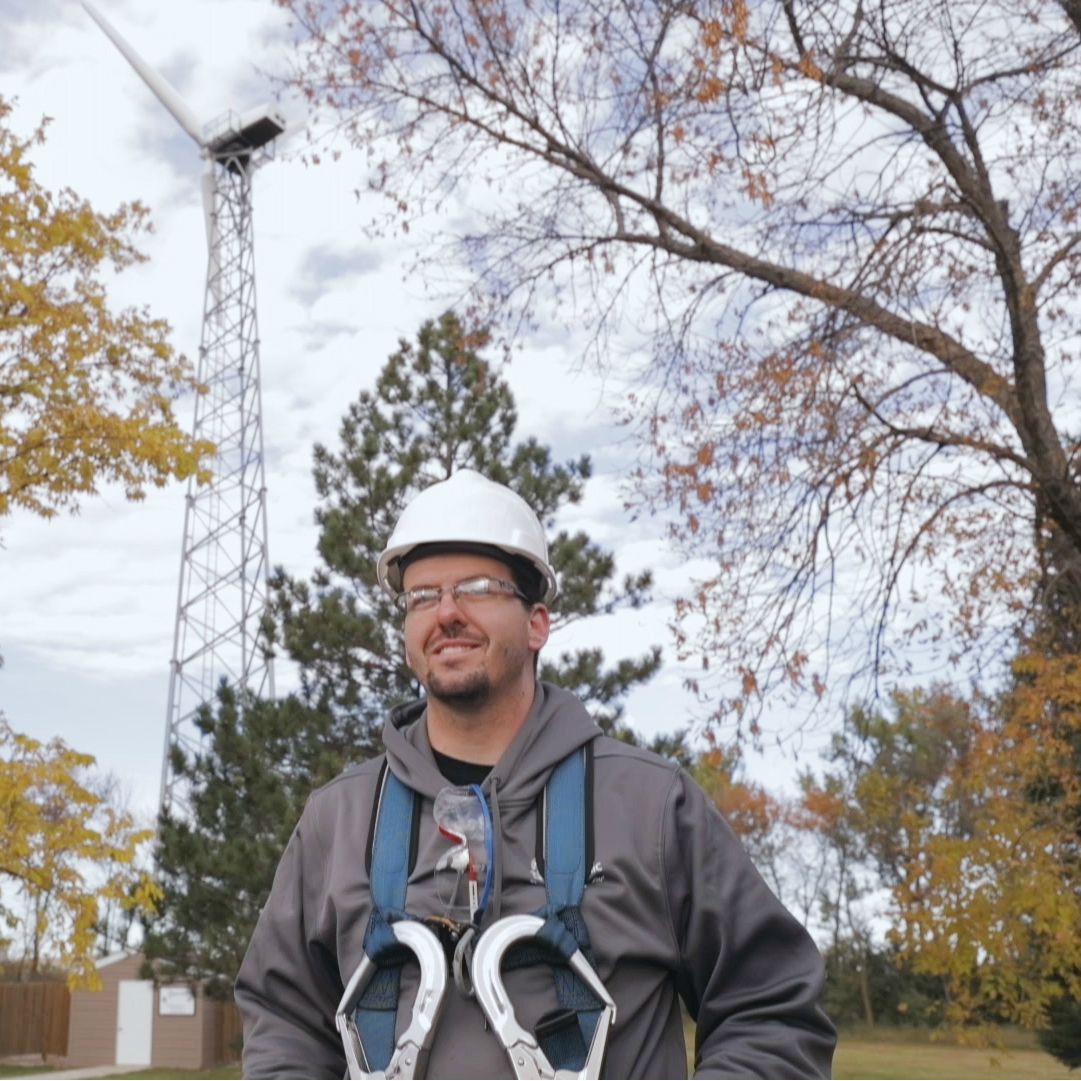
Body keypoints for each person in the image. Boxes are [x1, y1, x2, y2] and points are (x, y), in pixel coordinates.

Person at [235, 469, 836, 1079]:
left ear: (537, 622)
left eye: (475, 587)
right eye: (422, 596)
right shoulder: (338, 820)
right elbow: (283, 1019)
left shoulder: (650, 806)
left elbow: (770, 1007)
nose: (446, 613)